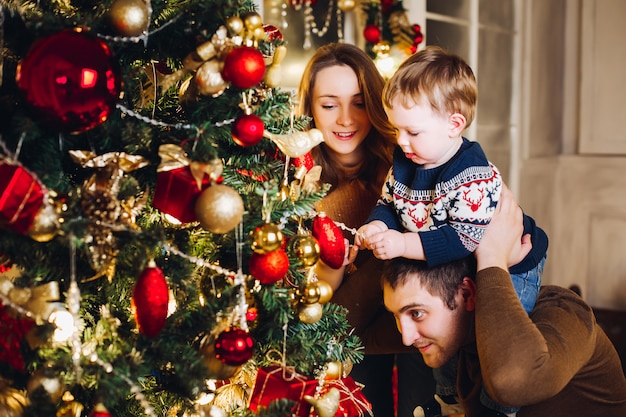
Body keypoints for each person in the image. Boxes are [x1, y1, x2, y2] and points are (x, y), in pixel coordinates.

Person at [355, 45, 549, 415]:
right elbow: (390, 204)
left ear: (454, 125)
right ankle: (449, 399)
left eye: (412, 131)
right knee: (448, 332)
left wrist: (401, 243)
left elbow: (461, 239)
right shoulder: (408, 160)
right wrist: (378, 225)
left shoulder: (470, 174)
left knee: (492, 337)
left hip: (513, 263)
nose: (401, 141)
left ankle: (496, 407)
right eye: (397, 130)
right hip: (452, 265)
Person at [381, 185, 626, 416]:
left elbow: (512, 384)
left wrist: (492, 256)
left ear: (468, 294)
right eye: (396, 315)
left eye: (416, 313)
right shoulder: (456, 330)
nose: (406, 336)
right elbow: (352, 330)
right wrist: (386, 237)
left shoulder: (563, 311)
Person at [297, 42, 435, 417]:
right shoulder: (295, 185)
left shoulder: (410, 159)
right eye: (329, 105)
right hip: (346, 337)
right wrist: (334, 267)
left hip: (419, 329)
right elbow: (318, 316)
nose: (345, 118)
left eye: (358, 102)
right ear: (309, 108)